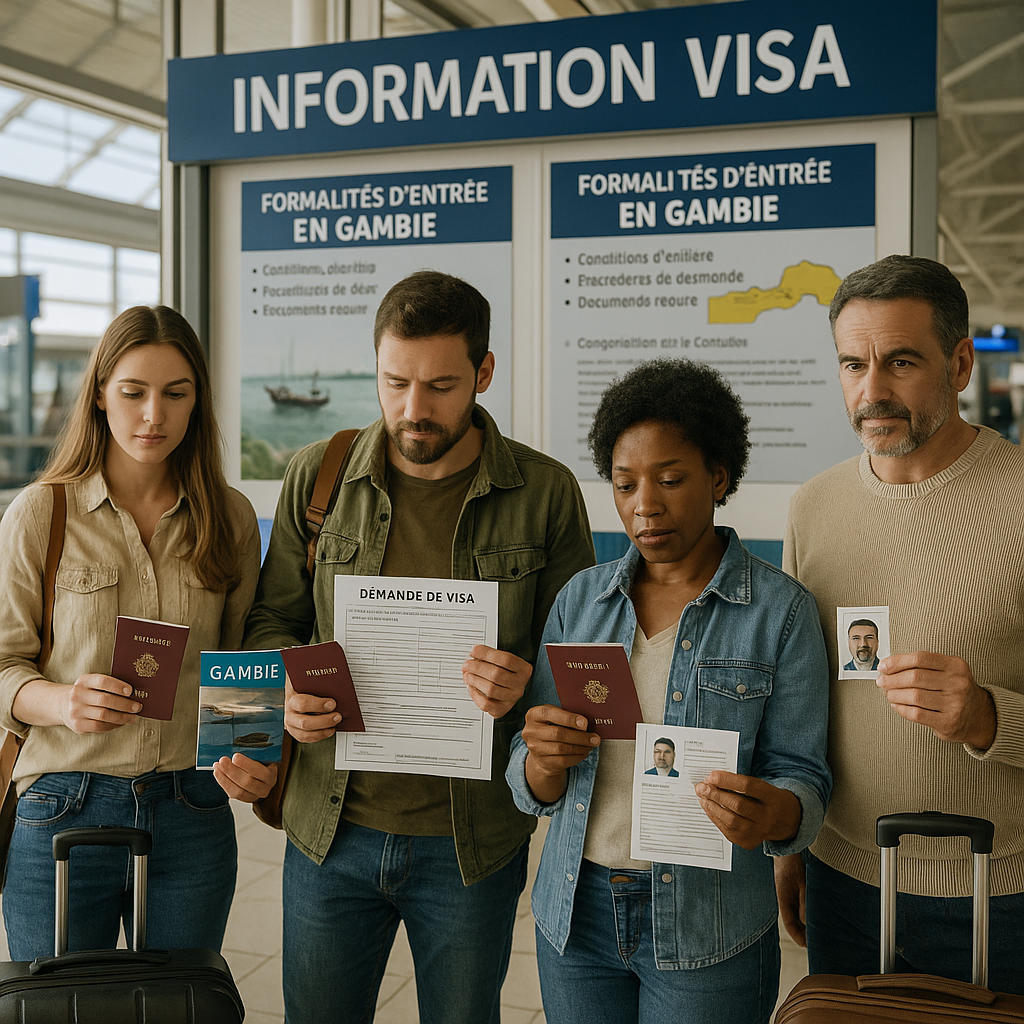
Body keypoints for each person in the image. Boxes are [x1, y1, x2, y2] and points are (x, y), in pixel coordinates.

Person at [243, 270, 595, 1024]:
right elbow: (273, 622)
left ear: (484, 373)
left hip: (470, 839)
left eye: (440, 386)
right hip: (329, 827)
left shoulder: (545, 492)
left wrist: (528, 688)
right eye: (394, 382)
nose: (413, 409)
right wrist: (288, 695)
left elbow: (581, 666)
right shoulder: (317, 477)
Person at [506, 358, 831, 1024]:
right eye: (624, 484)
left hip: (709, 921)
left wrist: (774, 814)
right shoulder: (581, 603)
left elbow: (803, 777)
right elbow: (530, 769)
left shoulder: (781, 612)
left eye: (671, 479)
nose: (644, 505)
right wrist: (540, 761)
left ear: (719, 477)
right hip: (576, 913)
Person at [776, 254, 1024, 995]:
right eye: (853, 364)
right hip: (846, 879)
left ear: (959, 364)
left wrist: (989, 718)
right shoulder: (814, 506)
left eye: (901, 362)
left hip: (1004, 891)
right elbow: (799, 697)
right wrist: (792, 845)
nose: (871, 391)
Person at [0, 305, 271, 960]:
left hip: (191, 805)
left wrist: (256, 757)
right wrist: (63, 701)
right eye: (133, 392)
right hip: (64, 801)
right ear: (99, 395)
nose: (154, 415)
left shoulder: (228, 517)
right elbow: (4, 665)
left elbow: (242, 659)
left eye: (176, 394)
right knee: (64, 1004)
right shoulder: (42, 512)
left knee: (179, 1003)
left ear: (197, 401)